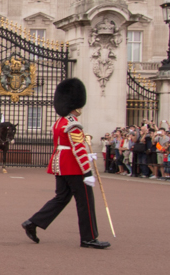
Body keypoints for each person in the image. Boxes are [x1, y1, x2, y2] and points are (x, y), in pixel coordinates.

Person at [21, 77, 110, 249]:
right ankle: (89, 238)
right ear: (76, 105)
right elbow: (77, 149)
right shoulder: (73, 124)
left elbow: (68, 145)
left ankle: (33, 222)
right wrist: (88, 172)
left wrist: (88, 154)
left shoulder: (59, 122)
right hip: (74, 168)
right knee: (85, 202)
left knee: (61, 198)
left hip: (60, 165)